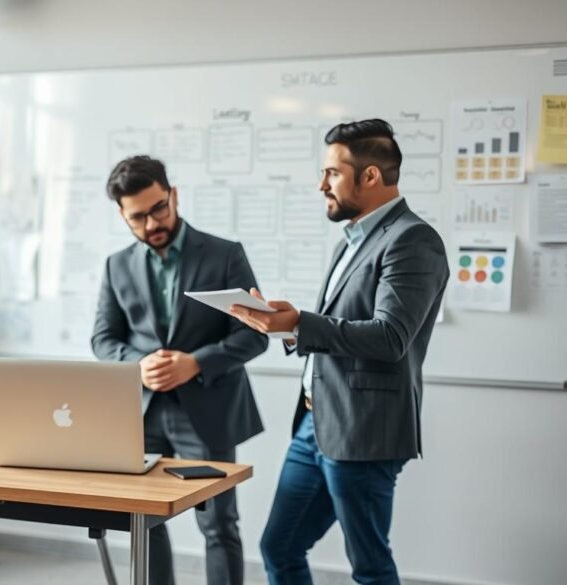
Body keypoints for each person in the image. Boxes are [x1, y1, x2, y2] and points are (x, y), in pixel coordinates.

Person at [228, 119, 449, 584]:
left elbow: (390, 337)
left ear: (370, 176)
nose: (320, 184)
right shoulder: (352, 239)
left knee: (369, 564)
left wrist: (300, 323)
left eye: (331, 173)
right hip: (316, 422)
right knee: (279, 547)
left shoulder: (412, 239)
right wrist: (289, 328)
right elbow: (338, 326)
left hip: (365, 430)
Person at [91, 155, 268, 585]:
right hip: (144, 414)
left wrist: (196, 363)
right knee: (145, 523)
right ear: (122, 215)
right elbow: (103, 339)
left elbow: (256, 334)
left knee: (218, 525)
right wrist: (138, 363)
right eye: (138, 217)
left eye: (159, 208)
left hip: (208, 413)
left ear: (173, 195)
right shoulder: (117, 265)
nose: (152, 223)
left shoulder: (226, 254)